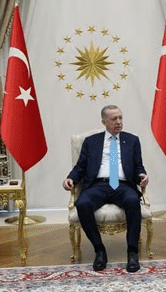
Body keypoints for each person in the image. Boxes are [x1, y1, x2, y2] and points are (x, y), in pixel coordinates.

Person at [63, 105, 149, 272]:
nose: (118, 122)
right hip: (99, 184)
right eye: (113, 119)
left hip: (123, 185)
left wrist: (143, 175)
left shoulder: (132, 140)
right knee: (82, 204)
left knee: (133, 201)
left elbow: (138, 166)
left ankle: (132, 253)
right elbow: (80, 166)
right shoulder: (91, 142)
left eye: (120, 118)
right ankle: (99, 250)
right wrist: (70, 178)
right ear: (104, 122)